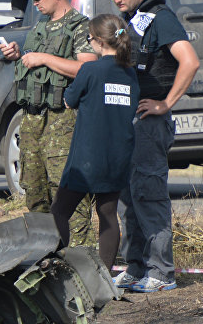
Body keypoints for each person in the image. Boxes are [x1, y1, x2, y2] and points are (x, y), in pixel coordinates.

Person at [108, 0, 199, 293]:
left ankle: (162, 273)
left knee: (149, 194)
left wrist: (166, 103)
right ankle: (136, 267)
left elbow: (190, 61)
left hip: (150, 119)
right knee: (128, 196)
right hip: (128, 119)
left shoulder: (161, 18)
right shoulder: (130, 21)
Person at [0, 0, 97, 246]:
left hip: (62, 122)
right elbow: (36, 65)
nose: (35, 2)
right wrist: (19, 55)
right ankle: (46, 255)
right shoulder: (40, 26)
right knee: (35, 190)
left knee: (68, 192)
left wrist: (42, 58)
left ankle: (83, 261)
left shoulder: (80, 25)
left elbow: (87, 68)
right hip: (32, 121)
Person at [50, 14, 138, 270]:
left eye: (89, 39)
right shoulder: (130, 73)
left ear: (99, 42)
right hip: (118, 156)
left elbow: (70, 99)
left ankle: (56, 268)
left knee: (60, 211)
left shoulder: (90, 70)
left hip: (88, 157)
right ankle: (104, 277)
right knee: (108, 215)